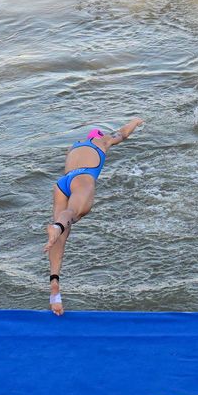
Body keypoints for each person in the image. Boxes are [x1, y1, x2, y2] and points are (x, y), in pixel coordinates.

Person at [45, 117, 144, 315]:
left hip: (62, 183)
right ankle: (56, 226)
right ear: (99, 136)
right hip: (83, 179)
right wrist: (136, 121)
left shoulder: (74, 147)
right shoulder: (103, 140)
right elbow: (122, 133)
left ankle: (54, 287)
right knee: (71, 214)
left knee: (60, 237)